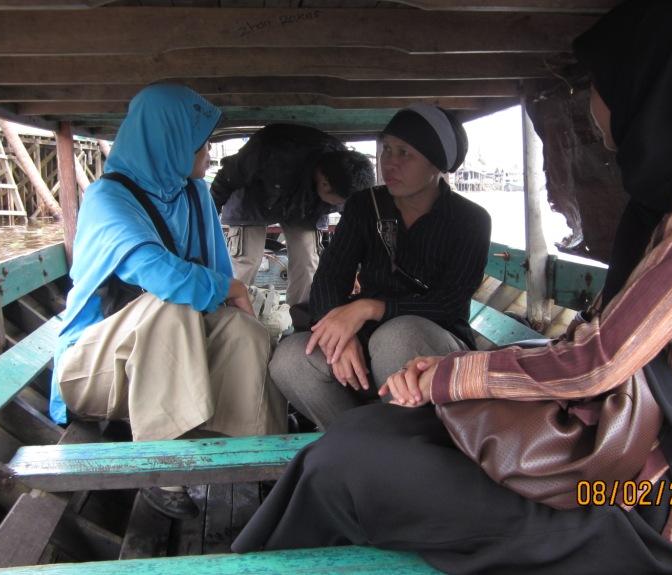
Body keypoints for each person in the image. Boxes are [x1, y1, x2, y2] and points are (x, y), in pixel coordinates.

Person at [232, 1, 672, 573]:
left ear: (643, 86)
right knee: (361, 435)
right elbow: (600, 349)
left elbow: (599, 359)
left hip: (647, 497)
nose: (590, 106)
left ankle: (266, 562)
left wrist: (445, 375)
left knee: (351, 466)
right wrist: (425, 364)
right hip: (601, 441)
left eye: (597, 85)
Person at [50, 84, 286, 520]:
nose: (209, 156)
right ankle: (161, 465)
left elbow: (218, 277)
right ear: (170, 142)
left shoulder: (194, 194)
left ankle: (258, 455)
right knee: (173, 302)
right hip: (95, 371)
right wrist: (233, 289)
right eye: (202, 145)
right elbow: (161, 276)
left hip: (166, 365)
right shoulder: (107, 198)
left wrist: (237, 301)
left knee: (243, 330)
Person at [267, 104, 492, 430]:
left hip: (434, 342)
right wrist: (340, 336)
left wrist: (369, 308)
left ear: (436, 164)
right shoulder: (364, 206)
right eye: (386, 149)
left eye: (405, 153)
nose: (389, 162)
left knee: (396, 335)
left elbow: (449, 304)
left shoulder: (470, 220)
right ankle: (359, 440)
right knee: (290, 358)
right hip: (368, 339)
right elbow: (329, 278)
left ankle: (412, 444)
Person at [211, 124, 376, 305]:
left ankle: (300, 316)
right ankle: (234, 315)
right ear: (324, 183)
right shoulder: (269, 154)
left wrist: (355, 271)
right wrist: (208, 217)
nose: (339, 207)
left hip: (306, 209)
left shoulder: (346, 177)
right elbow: (226, 177)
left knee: (307, 260)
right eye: (337, 202)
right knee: (247, 260)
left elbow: (356, 233)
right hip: (252, 198)